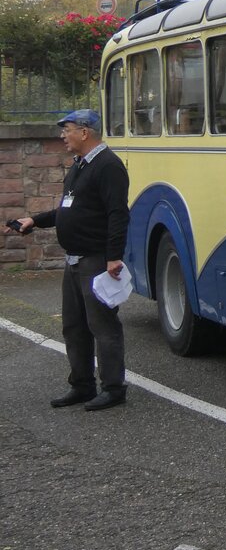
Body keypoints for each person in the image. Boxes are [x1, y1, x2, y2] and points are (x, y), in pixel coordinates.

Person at [5, 109, 131, 411]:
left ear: (85, 132)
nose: (62, 135)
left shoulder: (108, 166)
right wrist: (34, 220)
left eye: (67, 129)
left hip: (96, 260)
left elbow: (118, 214)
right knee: (74, 326)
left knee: (102, 325)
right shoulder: (79, 166)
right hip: (73, 260)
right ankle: (82, 385)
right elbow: (67, 208)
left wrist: (114, 256)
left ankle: (113, 389)